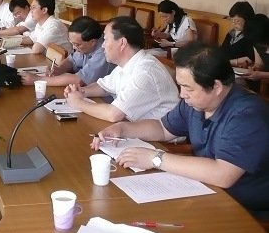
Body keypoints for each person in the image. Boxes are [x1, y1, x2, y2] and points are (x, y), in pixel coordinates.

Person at [90, 42, 269, 218]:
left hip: (244, 210)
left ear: (216, 87)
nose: (182, 94)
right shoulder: (195, 104)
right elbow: (163, 128)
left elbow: (223, 174)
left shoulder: (247, 115)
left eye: (188, 88)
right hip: (206, 190)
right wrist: (122, 128)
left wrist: (156, 158)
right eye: (180, 86)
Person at [64, 16, 179, 122]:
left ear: (122, 43)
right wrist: (81, 91)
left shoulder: (145, 73)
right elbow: (103, 87)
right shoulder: (127, 64)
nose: (103, 45)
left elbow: (113, 114)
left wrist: (78, 103)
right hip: (132, 128)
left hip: (156, 137)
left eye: (106, 39)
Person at [20, 16, 114, 86]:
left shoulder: (103, 53)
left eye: (77, 44)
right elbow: (71, 60)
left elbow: (78, 80)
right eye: (71, 42)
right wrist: (59, 68)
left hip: (100, 99)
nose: (73, 47)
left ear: (92, 42)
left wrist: (38, 79)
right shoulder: (83, 46)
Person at [220, 1, 255, 68]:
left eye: (237, 21)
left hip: (238, 69)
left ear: (247, 20)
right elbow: (222, 49)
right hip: (225, 66)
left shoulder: (251, 36)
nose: (233, 24)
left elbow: (251, 58)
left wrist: (229, 62)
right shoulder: (232, 32)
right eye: (232, 20)